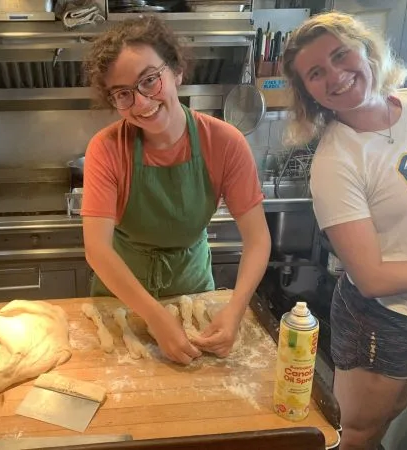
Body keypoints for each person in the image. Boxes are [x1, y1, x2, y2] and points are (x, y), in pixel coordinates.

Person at [81, 16, 271, 365]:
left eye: (149, 80)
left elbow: (258, 240)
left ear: (177, 72)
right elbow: (97, 249)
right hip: (121, 295)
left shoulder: (225, 143)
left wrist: (235, 308)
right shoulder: (106, 148)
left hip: (192, 289)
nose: (140, 102)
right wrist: (154, 315)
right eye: (123, 94)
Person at [282, 11, 407, 450]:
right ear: (309, 93)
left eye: (341, 55)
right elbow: (371, 278)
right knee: (358, 431)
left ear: (367, 50)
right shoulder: (335, 163)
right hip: (386, 318)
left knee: (399, 401)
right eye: (316, 73)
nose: (336, 76)